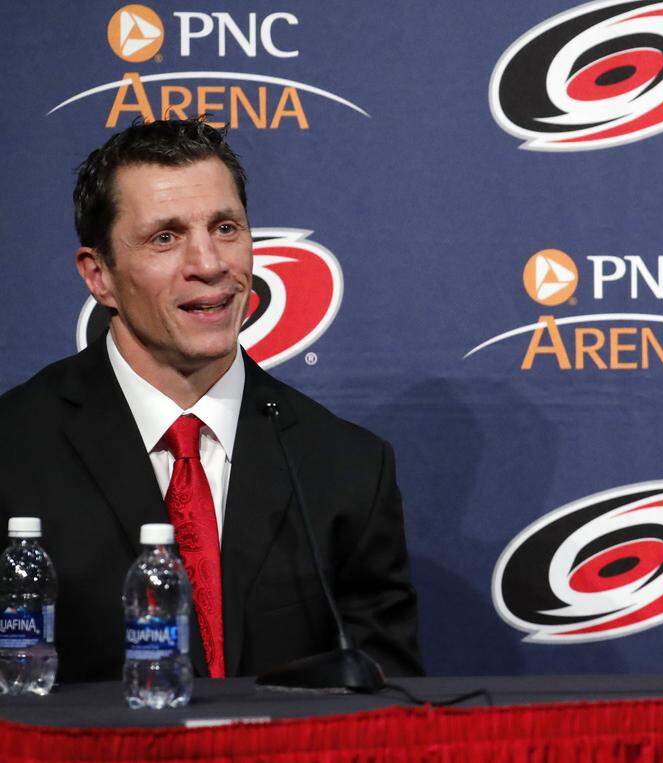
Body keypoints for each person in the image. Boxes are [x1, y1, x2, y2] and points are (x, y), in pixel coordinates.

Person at [0, 119, 422, 682]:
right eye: (165, 238)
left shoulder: (347, 468)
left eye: (225, 228)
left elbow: (385, 698)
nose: (209, 264)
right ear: (99, 276)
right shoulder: (13, 450)